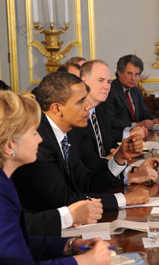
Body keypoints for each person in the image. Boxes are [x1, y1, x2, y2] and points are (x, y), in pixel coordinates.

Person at [12, 72, 150, 221]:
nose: (88, 107)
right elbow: (62, 199)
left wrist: (119, 157)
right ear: (57, 109)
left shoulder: (68, 132)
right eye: (81, 101)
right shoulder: (39, 140)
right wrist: (124, 200)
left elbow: (85, 183)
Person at [0, 90, 111, 265]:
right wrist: (85, 262)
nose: (41, 138)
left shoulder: (5, 181)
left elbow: (21, 240)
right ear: (10, 145)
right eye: (33, 133)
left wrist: (71, 245)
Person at [74, 60, 159, 184]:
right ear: (84, 81)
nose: (106, 86)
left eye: (108, 81)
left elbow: (107, 153)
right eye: (100, 80)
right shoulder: (76, 117)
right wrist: (131, 175)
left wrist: (133, 169)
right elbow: (91, 166)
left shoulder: (99, 111)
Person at [104, 55, 159, 132]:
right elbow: (110, 121)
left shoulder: (136, 91)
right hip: (118, 137)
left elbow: (143, 112)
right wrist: (137, 125)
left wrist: (155, 120)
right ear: (119, 73)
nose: (133, 78)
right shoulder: (109, 90)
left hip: (137, 135)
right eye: (129, 73)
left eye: (137, 74)